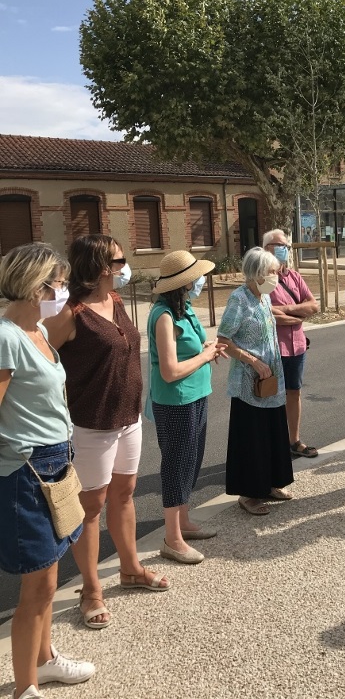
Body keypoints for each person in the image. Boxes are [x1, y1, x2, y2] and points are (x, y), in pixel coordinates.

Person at [45, 234, 170, 630]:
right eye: (120, 260)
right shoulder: (71, 313)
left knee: (125, 493)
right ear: (102, 266)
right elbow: (40, 360)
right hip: (90, 424)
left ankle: (131, 568)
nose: (125, 265)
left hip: (127, 419)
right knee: (90, 507)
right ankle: (91, 590)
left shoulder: (115, 301)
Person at [0, 243, 94, 699]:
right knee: (35, 585)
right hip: (26, 469)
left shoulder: (36, 329)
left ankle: (44, 660)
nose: (62, 289)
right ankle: (26, 688)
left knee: (50, 576)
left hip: (56, 461)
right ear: (36, 285)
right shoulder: (5, 336)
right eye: (57, 282)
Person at [148, 251, 226, 563]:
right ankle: (172, 538)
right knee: (176, 464)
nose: (201, 282)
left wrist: (206, 348)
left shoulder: (184, 309)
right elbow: (170, 371)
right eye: (196, 279)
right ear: (183, 284)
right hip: (176, 400)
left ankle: (183, 521)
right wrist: (205, 357)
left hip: (194, 395)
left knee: (191, 461)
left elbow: (187, 351)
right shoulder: (164, 315)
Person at [218, 247, 294, 516]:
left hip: (271, 380)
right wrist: (253, 361)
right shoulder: (239, 299)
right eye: (272, 271)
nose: (277, 275)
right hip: (249, 382)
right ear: (257, 273)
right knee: (251, 438)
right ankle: (248, 494)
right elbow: (224, 341)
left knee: (272, 432)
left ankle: (271, 483)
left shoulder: (263, 297)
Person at [263, 229, 319, 458]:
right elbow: (264, 312)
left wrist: (285, 311)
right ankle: (271, 442)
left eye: (286, 245)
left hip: (297, 345)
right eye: (278, 245)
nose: (283, 248)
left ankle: (293, 440)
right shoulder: (262, 278)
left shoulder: (294, 276)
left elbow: (313, 306)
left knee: (293, 392)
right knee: (269, 395)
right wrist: (297, 314)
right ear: (266, 249)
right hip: (272, 347)